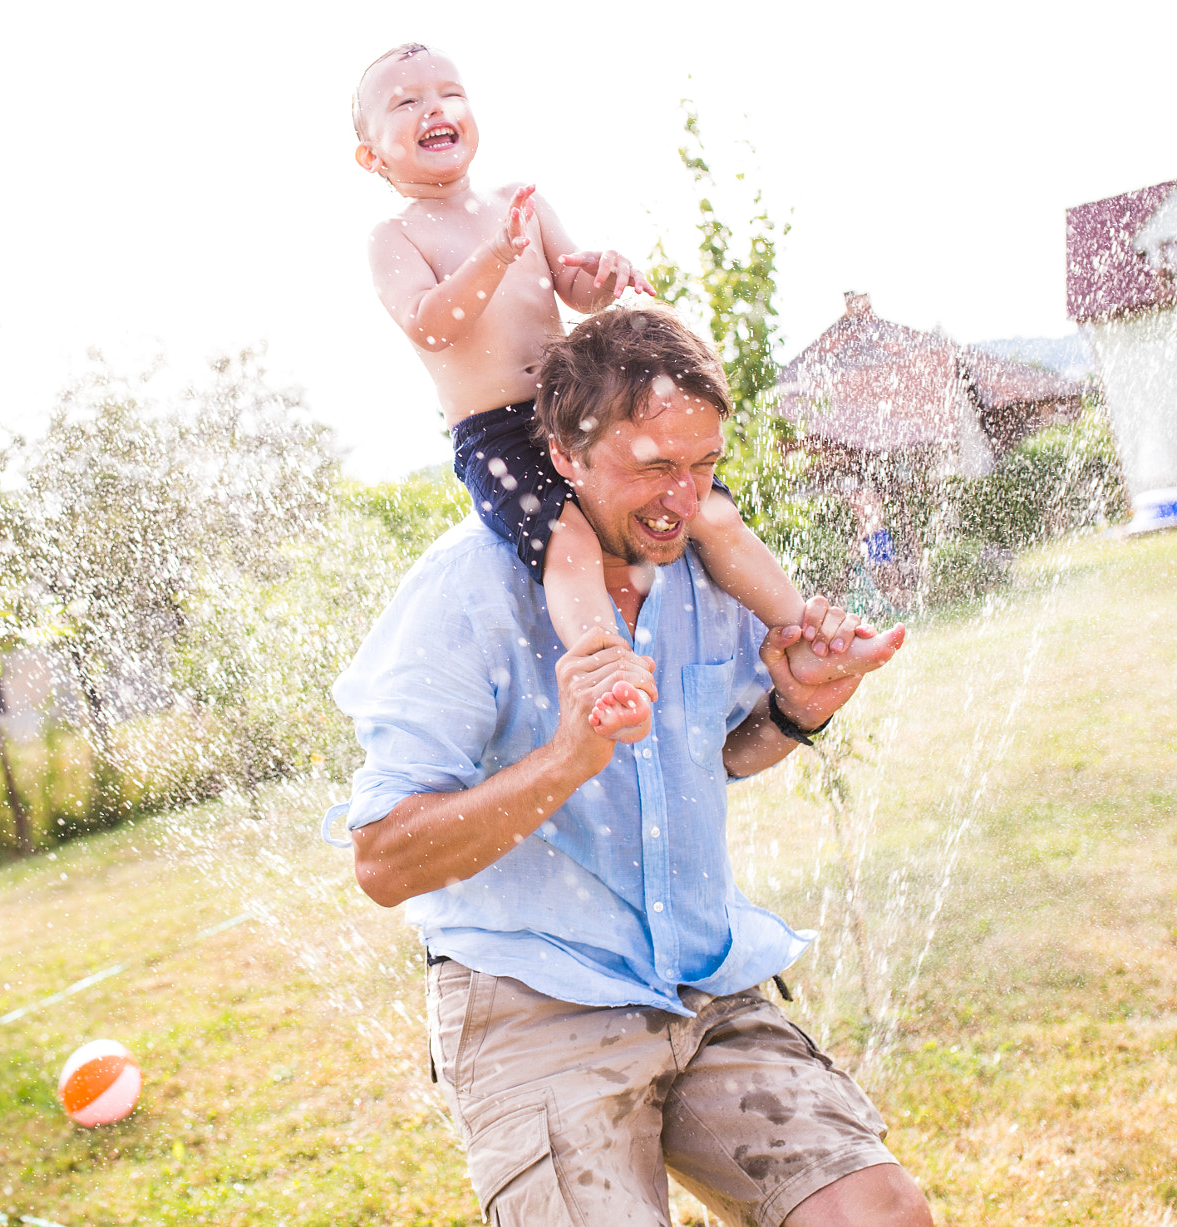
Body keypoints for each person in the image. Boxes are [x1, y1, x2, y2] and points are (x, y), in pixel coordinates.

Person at [334, 304, 933, 1227]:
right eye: (654, 466)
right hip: (536, 1005)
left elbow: (719, 757)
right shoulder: (467, 591)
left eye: (703, 467)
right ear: (565, 457)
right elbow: (383, 859)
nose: (683, 500)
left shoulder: (706, 571)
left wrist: (797, 709)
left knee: (880, 1214)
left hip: (704, 980)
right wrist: (570, 757)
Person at [351, 42, 903, 741]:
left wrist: (608, 276)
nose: (434, 107)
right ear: (373, 156)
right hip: (496, 430)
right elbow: (432, 325)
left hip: (580, 410)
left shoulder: (520, 200)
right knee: (571, 542)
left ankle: (805, 633)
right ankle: (604, 666)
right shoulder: (395, 235)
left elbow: (575, 288)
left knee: (707, 510)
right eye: (405, 102)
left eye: (449, 92)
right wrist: (494, 255)